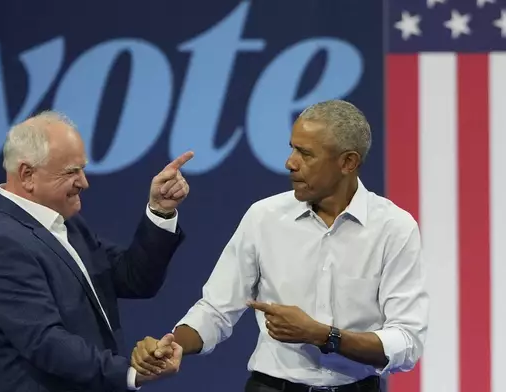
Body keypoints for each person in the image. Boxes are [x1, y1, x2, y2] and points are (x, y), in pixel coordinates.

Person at [131, 100, 429, 392]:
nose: (290, 162)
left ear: (347, 162)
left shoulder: (394, 228)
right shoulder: (264, 218)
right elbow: (216, 310)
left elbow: (406, 341)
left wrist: (325, 336)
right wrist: (175, 344)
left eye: (306, 153)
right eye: (292, 148)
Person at [0, 110, 188, 392]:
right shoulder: (2, 245)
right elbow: (45, 341)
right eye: (71, 172)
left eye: (82, 169)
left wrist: (160, 211)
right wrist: (129, 372)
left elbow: (135, 278)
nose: (84, 182)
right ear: (27, 175)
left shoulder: (67, 225)